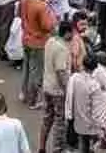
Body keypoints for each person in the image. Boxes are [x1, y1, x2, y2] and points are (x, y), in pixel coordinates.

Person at [39, 20, 73, 153]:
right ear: (67, 33)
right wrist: (67, 90)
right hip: (57, 91)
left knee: (47, 119)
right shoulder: (62, 48)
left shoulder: (50, 41)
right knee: (60, 122)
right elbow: (61, 72)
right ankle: (57, 149)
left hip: (47, 87)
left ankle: (42, 147)